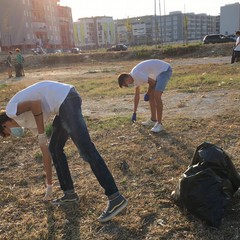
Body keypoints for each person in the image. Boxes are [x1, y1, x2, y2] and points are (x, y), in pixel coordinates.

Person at [0, 80, 127, 223]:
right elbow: (46, 154)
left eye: (7, 132)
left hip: (66, 99)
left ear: (4, 124)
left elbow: (35, 104)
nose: (12, 134)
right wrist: (49, 186)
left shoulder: (11, 110)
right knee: (54, 149)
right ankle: (69, 194)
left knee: (86, 149)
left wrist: (42, 134)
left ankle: (115, 197)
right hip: (63, 105)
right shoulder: (27, 123)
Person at [118, 59, 172, 133]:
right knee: (151, 97)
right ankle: (153, 120)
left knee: (157, 95)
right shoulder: (134, 79)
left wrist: (148, 93)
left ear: (127, 79)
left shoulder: (136, 74)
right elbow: (137, 96)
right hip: (157, 74)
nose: (127, 86)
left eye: (125, 85)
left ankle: (159, 124)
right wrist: (134, 112)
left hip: (164, 70)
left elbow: (152, 83)